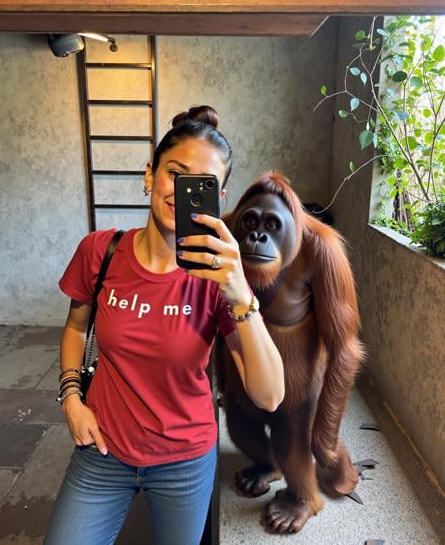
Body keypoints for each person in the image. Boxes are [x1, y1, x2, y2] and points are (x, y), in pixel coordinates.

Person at [44, 105, 285, 545]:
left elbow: (269, 395)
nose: (181, 191)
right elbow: (77, 328)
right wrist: (71, 400)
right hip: (101, 450)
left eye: (202, 185)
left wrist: (239, 292)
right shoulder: (100, 252)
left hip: (184, 462)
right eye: (174, 172)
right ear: (149, 173)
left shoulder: (218, 279)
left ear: (219, 199)